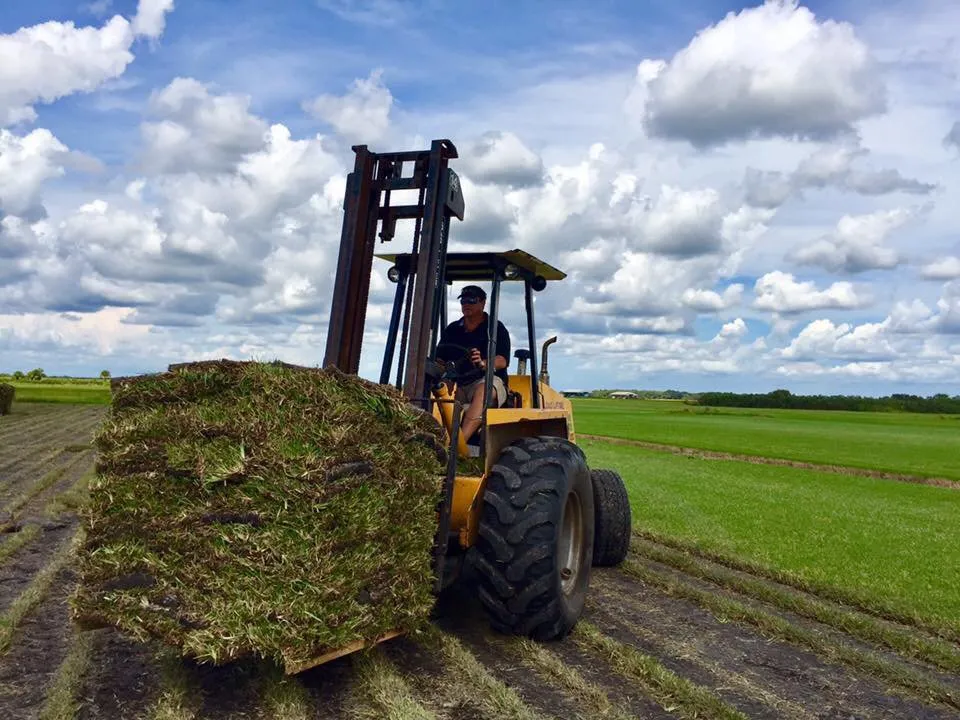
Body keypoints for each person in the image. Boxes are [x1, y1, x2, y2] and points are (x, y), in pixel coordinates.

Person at [436, 284, 510, 444]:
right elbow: (440, 357)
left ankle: (455, 446)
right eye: (463, 301)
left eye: (471, 300)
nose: (466, 304)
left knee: (484, 390)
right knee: (436, 388)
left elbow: (502, 360)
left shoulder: (496, 328)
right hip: (459, 381)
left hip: (486, 379)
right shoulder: (453, 329)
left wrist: (483, 363)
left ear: (483, 303)